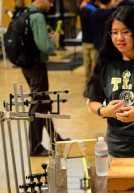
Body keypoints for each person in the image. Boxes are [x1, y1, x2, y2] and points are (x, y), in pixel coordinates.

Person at [84, 6, 134, 159]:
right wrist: (105, 111)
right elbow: (92, 101)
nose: (119, 38)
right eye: (114, 32)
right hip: (115, 148)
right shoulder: (105, 61)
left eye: (125, 32)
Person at [22, 0, 69, 156]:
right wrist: (52, 41)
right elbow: (46, 47)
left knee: (45, 102)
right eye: (49, 2)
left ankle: (56, 139)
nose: (51, 5)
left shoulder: (25, 13)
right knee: (38, 104)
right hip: (37, 66)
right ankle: (35, 147)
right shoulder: (38, 17)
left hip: (28, 65)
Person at [80, 0, 100, 82]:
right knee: (95, 64)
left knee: (87, 63)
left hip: (85, 40)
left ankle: (87, 81)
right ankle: (94, 82)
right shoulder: (94, 10)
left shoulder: (82, 8)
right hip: (93, 41)